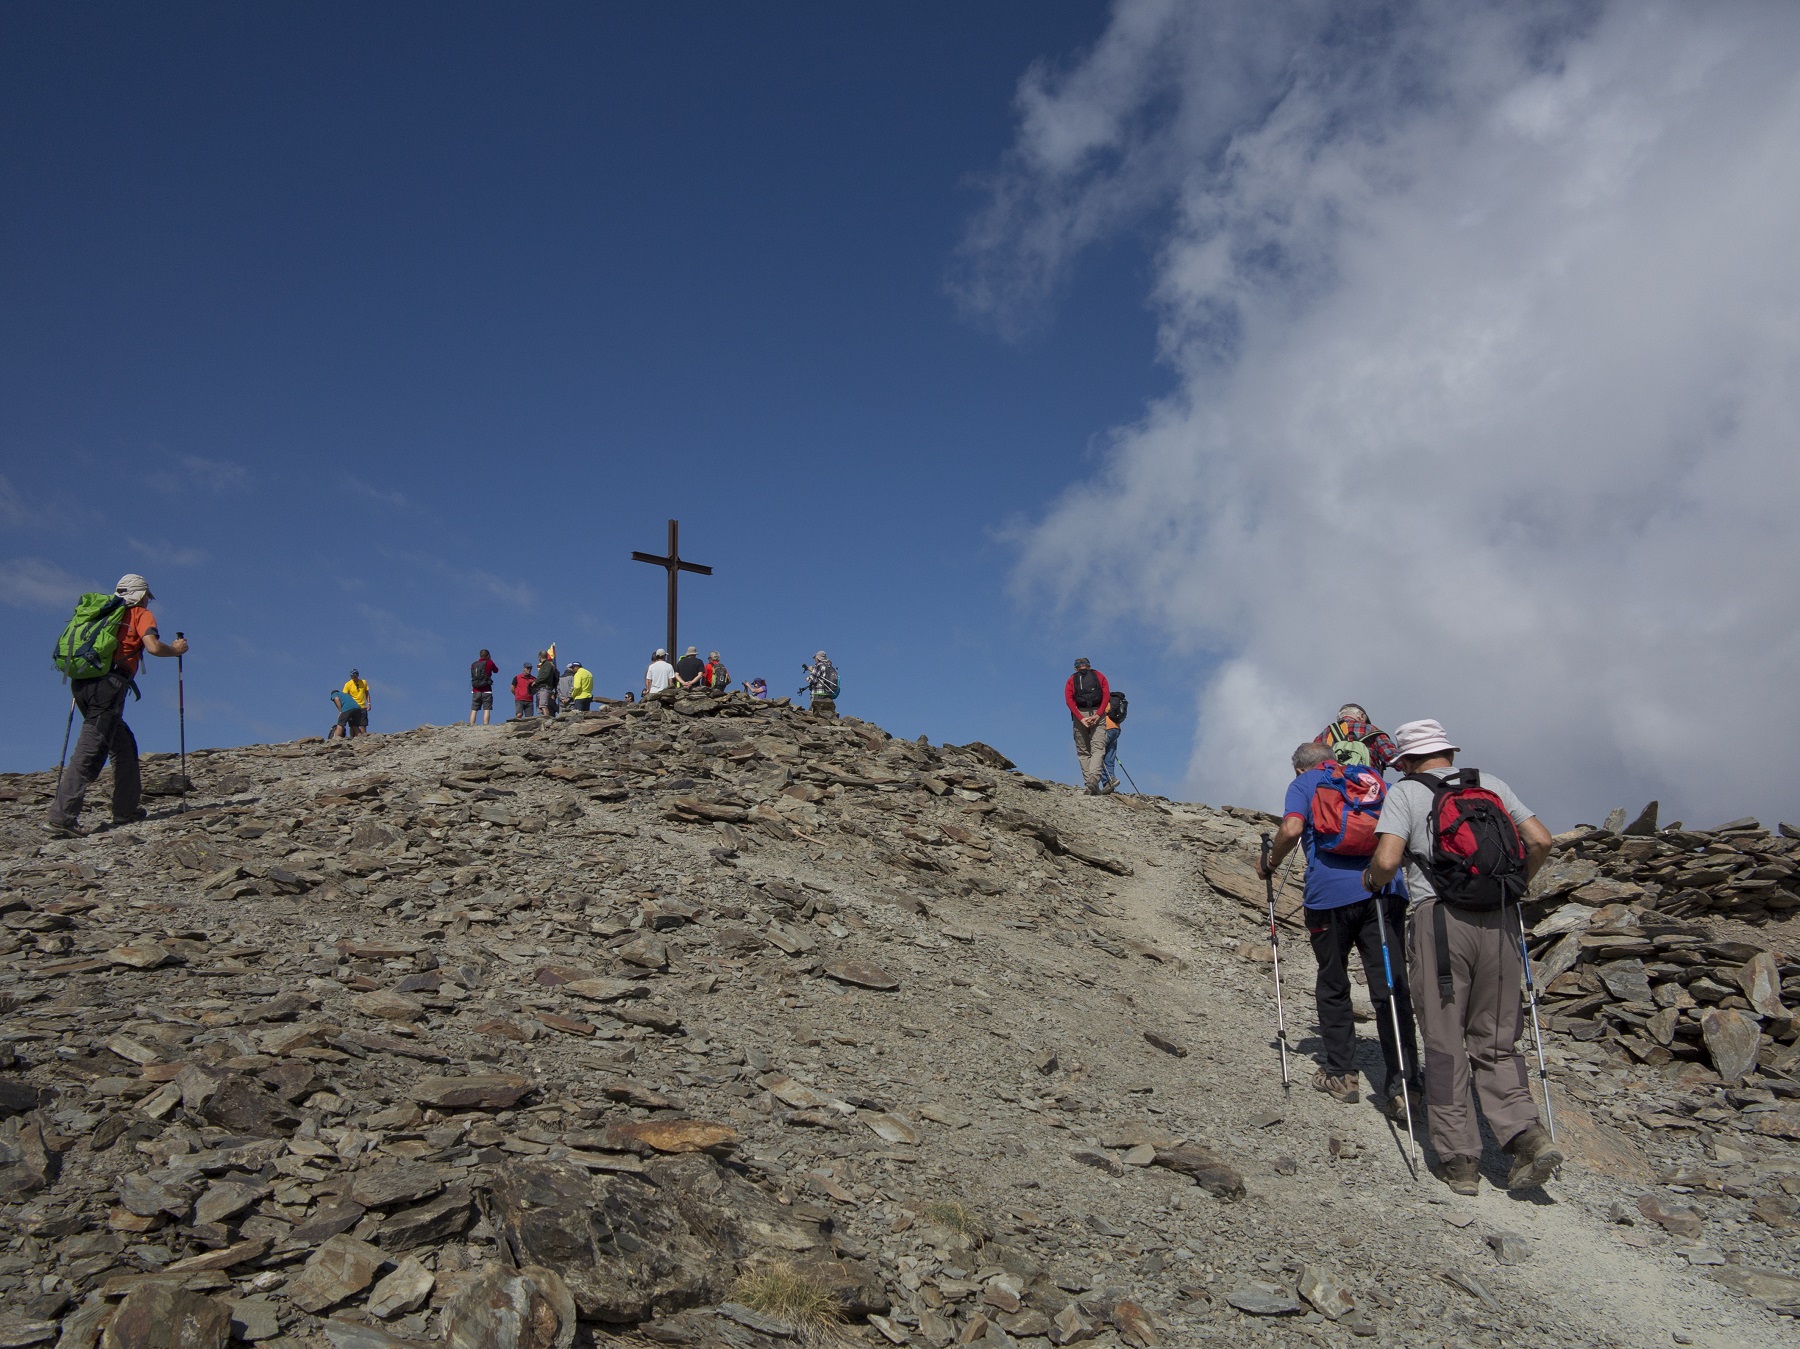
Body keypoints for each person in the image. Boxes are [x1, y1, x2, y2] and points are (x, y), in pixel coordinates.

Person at [1363, 719, 1561, 1196]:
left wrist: (1371, 880)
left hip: (1439, 921)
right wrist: (1517, 888)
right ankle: (1526, 1136)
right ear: (1448, 752)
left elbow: (1388, 860)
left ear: (1406, 760)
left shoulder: (1406, 793)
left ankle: (1460, 1162)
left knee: (1446, 1038)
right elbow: (1541, 841)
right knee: (1496, 1037)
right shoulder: (1490, 784)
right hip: (1501, 917)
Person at [1258, 743, 1420, 1116]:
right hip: (1384, 891)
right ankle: (1405, 1087)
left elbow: (1293, 827)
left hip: (1328, 897)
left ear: (1299, 768)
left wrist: (1270, 862)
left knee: (1333, 980)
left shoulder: (1305, 783)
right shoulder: (1373, 780)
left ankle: (1342, 1074)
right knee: (1390, 985)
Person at [47, 574, 188, 837]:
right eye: (147, 595)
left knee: (122, 744)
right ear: (142, 594)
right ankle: (61, 817)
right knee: (91, 748)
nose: (148, 600)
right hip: (109, 685)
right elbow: (154, 647)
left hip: (81, 684)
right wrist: (177, 650)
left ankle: (126, 809)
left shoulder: (100, 613)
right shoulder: (139, 613)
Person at [1064, 657, 1109, 794]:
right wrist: (1098, 714)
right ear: (1088, 666)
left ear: (1075, 668)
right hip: (1098, 714)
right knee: (1098, 749)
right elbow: (1106, 695)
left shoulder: (1071, 679)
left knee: (1083, 751)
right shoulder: (1099, 675)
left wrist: (1081, 718)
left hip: (1080, 715)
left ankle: (1089, 784)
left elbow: (1069, 700)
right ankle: (1094, 779)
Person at [1314, 703, 1398, 775]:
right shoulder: (1370, 729)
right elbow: (1393, 756)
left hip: (1330, 788)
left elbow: (1309, 764)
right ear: (1361, 716)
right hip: (1365, 787)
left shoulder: (1322, 736)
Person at [1100, 688, 1127, 793]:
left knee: (1098, 754)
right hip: (1116, 729)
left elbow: (1102, 712)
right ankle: (1110, 781)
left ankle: (1108, 781)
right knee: (1109, 757)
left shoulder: (1106, 700)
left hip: (1106, 728)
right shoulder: (1116, 702)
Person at [802, 650, 838, 717]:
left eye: (815, 657)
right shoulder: (830, 666)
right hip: (828, 693)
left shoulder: (819, 665)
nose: (814, 659)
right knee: (827, 714)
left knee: (814, 714)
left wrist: (808, 678)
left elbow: (813, 680)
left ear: (818, 657)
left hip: (818, 693)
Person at [469, 649, 499, 726]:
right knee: (487, 709)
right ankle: (485, 724)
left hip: (476, 690)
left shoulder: (473, 664)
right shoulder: (490, 662)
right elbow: (496, 670)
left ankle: (471, 724)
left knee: (474, 709)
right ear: (488, 656)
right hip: (487, 689)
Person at [533, 651, 559, 718]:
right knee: (540, 707)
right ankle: (544, 720)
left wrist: (536, 681)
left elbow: (545, 675)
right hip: (542, 688)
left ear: (539, 657)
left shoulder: (547, 664)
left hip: (544, 688)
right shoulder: (545, 665)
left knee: (543, 705)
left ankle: (546, 720)